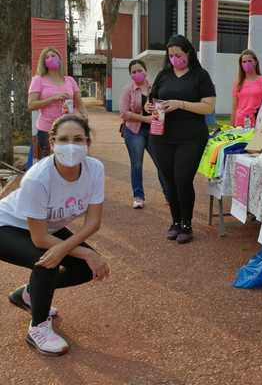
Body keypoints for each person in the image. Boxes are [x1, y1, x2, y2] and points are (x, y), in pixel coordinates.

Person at [0, 114, 109, 356]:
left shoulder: (95, 169)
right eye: (64, 139)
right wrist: (69, 250)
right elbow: (40, 240)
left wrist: (85, 254)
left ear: (88, 143)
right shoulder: (37, 179)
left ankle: (29, 294)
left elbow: (93, 222)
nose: (71, 146)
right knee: (48, 261)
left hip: (45, 228)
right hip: (6, 226)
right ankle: (38, 328)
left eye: (78, 139)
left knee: (84, 267)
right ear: (52, 143)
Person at [146, 34, 216, 244]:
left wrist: (180, 104)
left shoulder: (200, 76)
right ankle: (175, 221)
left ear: (188, 53)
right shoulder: (163, 75)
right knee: (169, 180)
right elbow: (151, 100)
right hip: (162, 136)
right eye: (171, 55)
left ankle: (187, 224)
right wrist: (147, 107)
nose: (174, 59)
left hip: (191, 137)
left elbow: (208, 106)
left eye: (178, 54)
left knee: (183, 179)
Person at [119, 59, 167, 209]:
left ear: (145, 71)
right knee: (137, 164)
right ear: (130, 75)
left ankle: (169, 194)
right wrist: (143, 117)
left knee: (162, 163)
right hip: (134, 131)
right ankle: (138, 196)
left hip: (155, 131)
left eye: (139, 70)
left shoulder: (155, 86)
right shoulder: (128, 90)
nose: (137, 74)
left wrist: (157, 111)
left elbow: (162, 106)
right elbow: (124, 113)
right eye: (133, 72)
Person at [28, 47, 88, 157]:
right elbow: (31, 105)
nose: (50, 58)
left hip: (69, 128)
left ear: (59, 59)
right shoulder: (38, 79)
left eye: (53, 56)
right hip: (47, 130)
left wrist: (84, 119)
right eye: (47, 57)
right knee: (49, 164)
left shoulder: (70, 80)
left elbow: (80, 105)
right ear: (44, 62)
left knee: (68, 161)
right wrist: (53, 98)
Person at [231, 49, 262, 127]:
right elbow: (234, 106)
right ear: (241, 64)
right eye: (244, 62)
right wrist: (232, 124)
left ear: (256, 62)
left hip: (258, 123)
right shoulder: (237, 83)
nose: (247, 64)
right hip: (240, 123)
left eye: (250, 61)